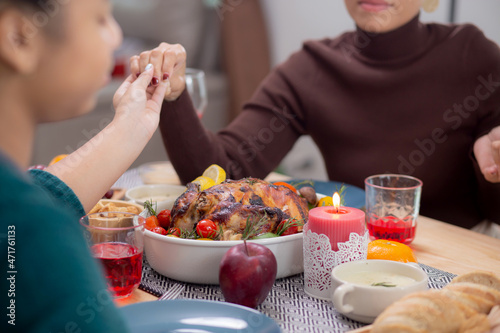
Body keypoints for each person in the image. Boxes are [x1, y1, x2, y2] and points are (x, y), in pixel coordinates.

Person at [136, 0, 500, 233]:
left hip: (458, 257)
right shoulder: (312, 68)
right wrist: (174, 94)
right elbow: (218, 172)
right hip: (352, 253)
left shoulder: (475, 56)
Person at [0, 0, 181, 331]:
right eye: (100, 19)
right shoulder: (35, 241)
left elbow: (35, 195)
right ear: (18, 38)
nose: (116, 36)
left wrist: (129, 127)